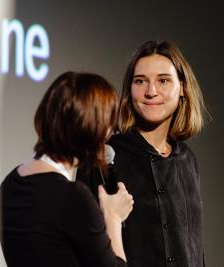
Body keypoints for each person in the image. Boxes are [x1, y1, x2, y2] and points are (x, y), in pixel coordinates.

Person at [77, 40, 207, 266]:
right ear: (129, 89)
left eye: (163, 80)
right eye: (140, 81)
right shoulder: (103, 157)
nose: (151, 91)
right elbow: (85, 243)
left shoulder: (188, 160)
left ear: (183, 88)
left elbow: (194, 248)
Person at [0, 71, 134, 267]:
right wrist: (113, 217)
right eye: (108, 124)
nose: (110, 133)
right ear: (91, 129)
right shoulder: (73, 197)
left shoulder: (9, 184)